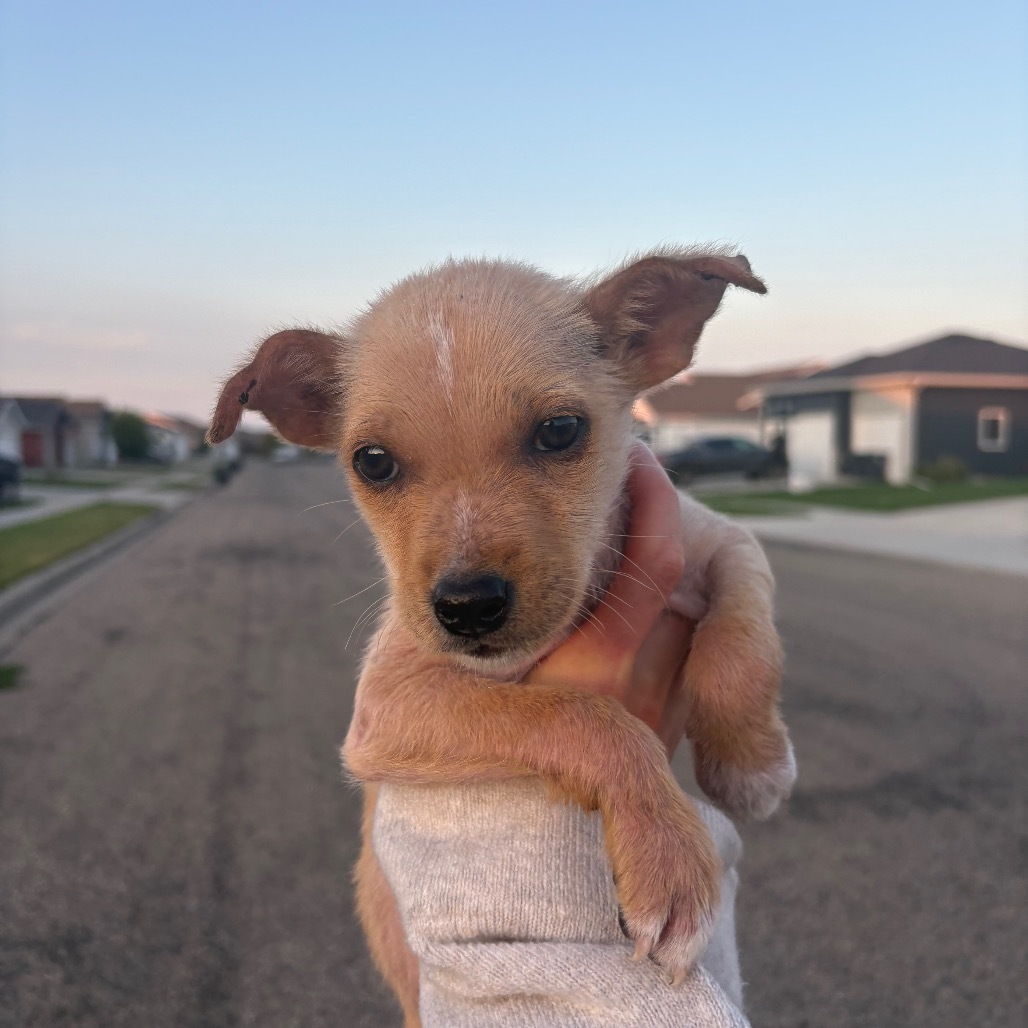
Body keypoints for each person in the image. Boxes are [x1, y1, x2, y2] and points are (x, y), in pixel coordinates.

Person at [373, 445, 751, 1027]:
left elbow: (734, 552)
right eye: (380, 464)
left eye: (555, 434)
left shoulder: (661, 504)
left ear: (646, 348)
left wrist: (739, 700)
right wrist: (615, 757)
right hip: (436, 914)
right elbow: (382, 722)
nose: (463, 556)